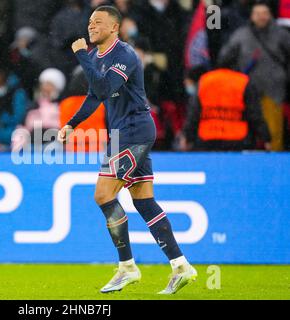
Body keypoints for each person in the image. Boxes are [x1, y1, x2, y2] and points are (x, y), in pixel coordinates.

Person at [57, 5, 196, 295]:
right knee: (144, 202)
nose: (91, 26)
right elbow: (95, 94)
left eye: (98, 22)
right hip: (124, 133)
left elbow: (106, 88)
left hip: (134, 131)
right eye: (90, 22)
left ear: (114, 28)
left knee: (103, 194)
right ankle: (181, 265)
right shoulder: (98, 56)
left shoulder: (125, 55)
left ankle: (127, 267)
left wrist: (81, 55)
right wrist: (72, 123)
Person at [218, 1, 290, 151]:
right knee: (247, 129)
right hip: (247, 90)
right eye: (258, 14)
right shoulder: (241, 34)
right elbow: (224, 57)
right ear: (251, 16)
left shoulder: (281, 34)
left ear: (270, 15)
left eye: (264, 13)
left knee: (274, 132)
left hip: (273, 90)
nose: (261, 17)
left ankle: (275, 162)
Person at [180, 66, 271, 151]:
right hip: (238, 141)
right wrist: (266, 138)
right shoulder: (243, 82)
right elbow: (254, 115)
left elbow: (194, 114)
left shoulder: (205, 81)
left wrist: (187, 136)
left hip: (208, 140)